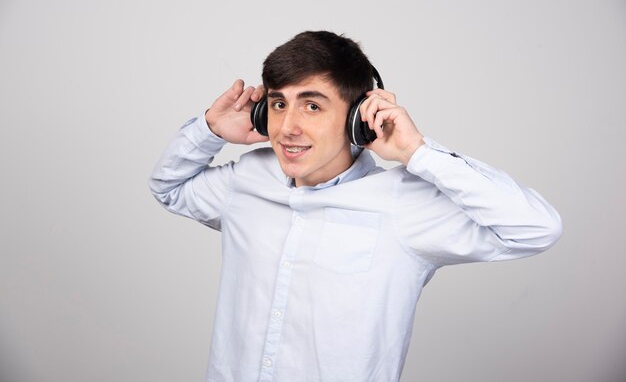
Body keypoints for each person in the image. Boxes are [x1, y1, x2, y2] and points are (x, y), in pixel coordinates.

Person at [149, 31, 562, 382]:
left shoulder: (404, 205)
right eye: (278, 104)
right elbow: (169, 187)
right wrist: (209, 130)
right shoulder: (245, 180)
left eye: (312, 105)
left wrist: (417, 152)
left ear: (357, 118)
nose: (288, 127)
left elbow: (536, 228)